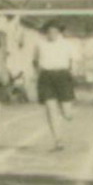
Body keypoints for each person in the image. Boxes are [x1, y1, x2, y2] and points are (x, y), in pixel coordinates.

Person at [34, 21, 77, 151]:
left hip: (62, 75)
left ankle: (68, 112)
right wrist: (38, 73)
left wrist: (72, 73)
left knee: (67, 113)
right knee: (50, 109)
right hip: (46, 76)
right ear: (46, 32)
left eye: (55, 31)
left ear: (59, 32)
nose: (52, 34)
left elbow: (73, 60)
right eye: (49, 31)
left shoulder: (67, 44)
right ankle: (58, 140)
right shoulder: (40, 44)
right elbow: (35, 60)